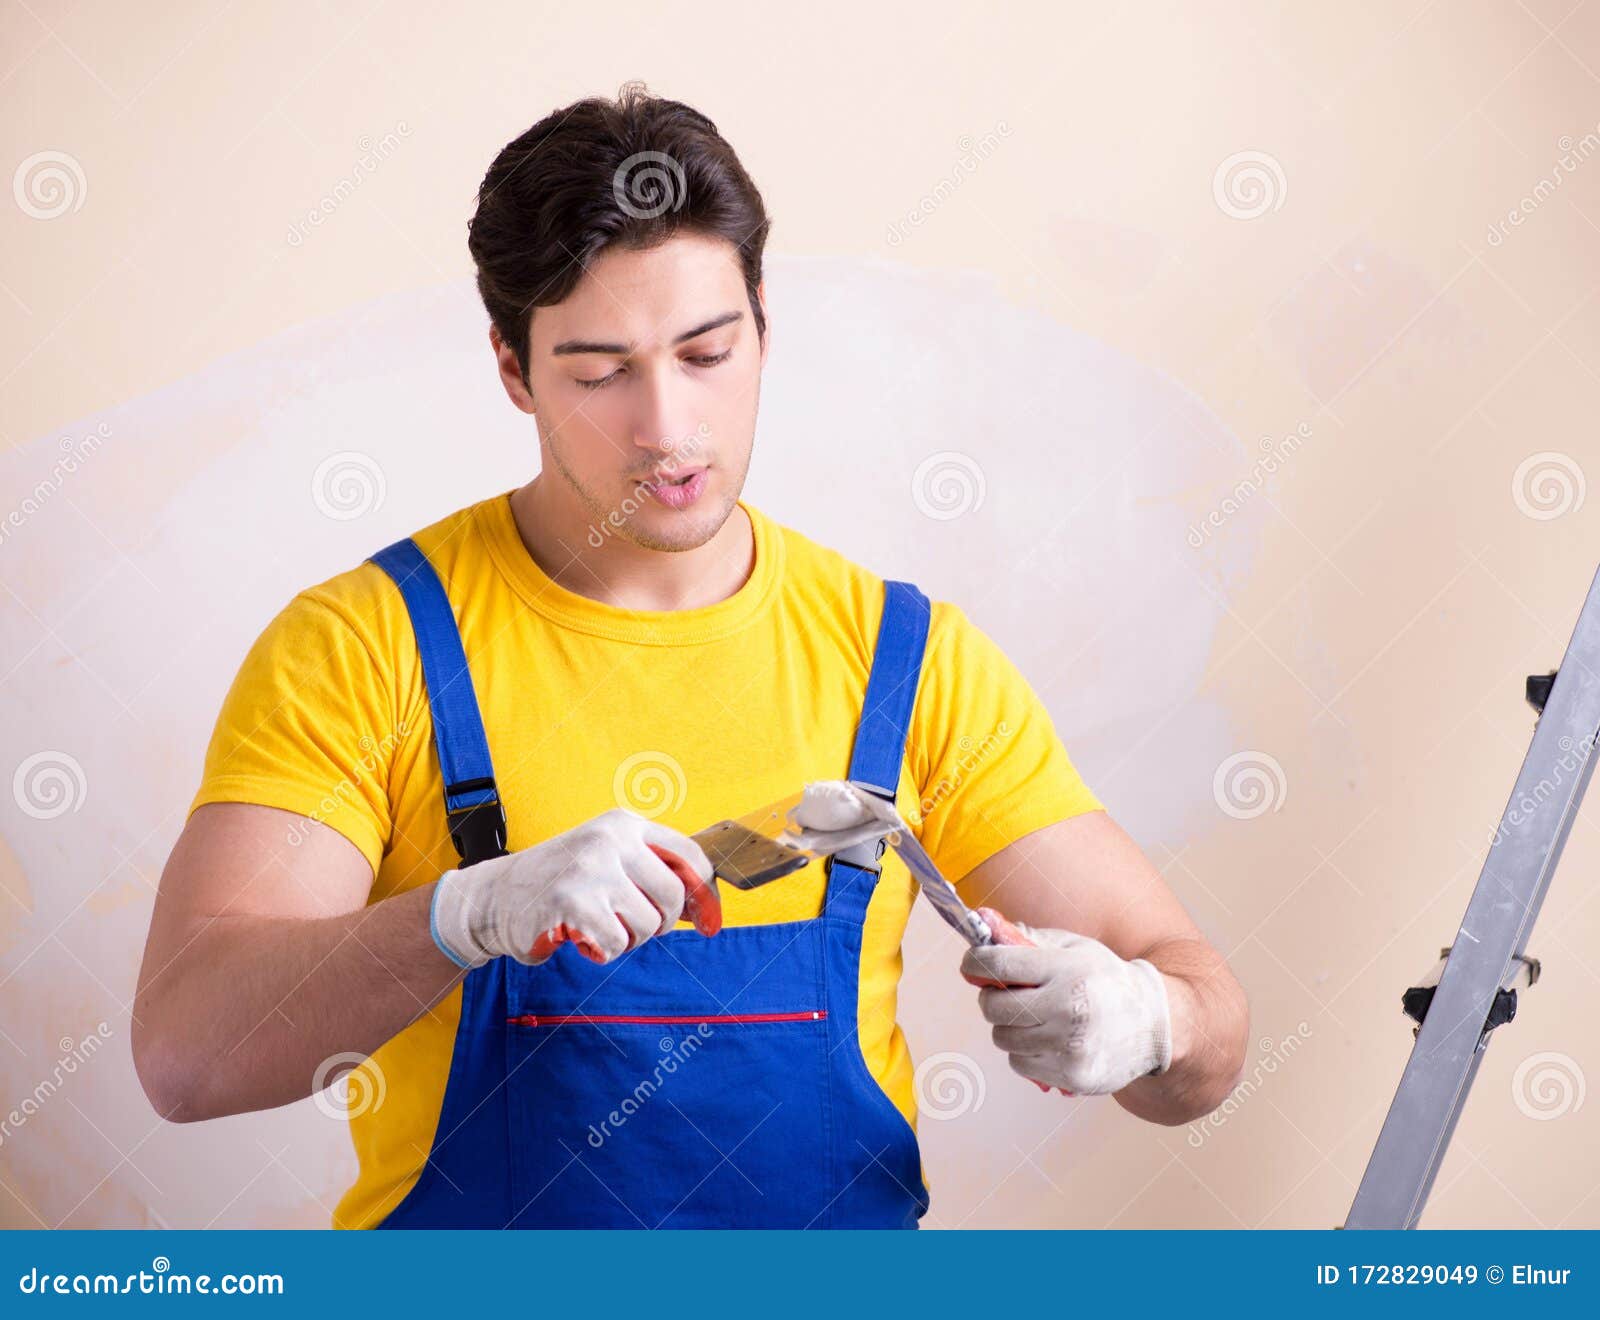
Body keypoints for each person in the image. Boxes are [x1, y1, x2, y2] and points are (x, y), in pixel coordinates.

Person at [132, 81, 1248, 1230]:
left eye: (706, 352)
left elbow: (1204, 1044)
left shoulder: (904, 664)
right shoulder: (368, 648)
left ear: (763, 323)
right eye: (599, 371)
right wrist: (464, 913)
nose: (667, 427)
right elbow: (188, 1059)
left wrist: (1143, 1022)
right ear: (512, 370)